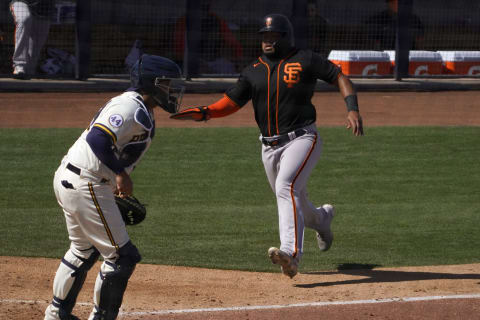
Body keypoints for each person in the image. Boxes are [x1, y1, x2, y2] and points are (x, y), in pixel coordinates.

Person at [170, 14, 363, 278]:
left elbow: (340, 77)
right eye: (264, 36)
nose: (267, 41)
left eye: (273, 36)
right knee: (292, 198)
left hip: (303, 138)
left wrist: (352, 109)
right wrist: (205, 112)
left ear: (285, 37)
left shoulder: (305, 59)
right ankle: (321, 219)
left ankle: (292, 254)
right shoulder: (253, 71)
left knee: (287, 187)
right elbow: (230, 103)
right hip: (269, 147)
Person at [44, 54, 184, 320]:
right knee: (122, 257)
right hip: (87, 182)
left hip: (79, 180)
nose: (171, 90)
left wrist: (115, 180)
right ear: (151, 83)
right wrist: (120, 174)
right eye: (166, 84)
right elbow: (98, 138)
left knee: (82, 250)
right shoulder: (129, 108)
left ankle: (56, 315)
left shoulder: (140, 108)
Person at [173, 0, 243, 74]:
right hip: (190, 61)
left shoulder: (217, 20)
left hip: (214, 60)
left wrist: (238, 59)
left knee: (231, 70)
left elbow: (233, 43)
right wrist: (193, 61)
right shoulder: (184, 21)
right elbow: (178, 47)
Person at [9, 0, 55, 79]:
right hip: (21, 2)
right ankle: (19, 66)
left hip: (44, 7)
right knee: (24, 19)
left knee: (37, 44)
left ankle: (29, 72)